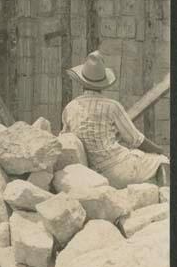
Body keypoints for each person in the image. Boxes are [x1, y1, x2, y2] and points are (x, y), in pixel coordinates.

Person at [61, 51, 169, 188]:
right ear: (103, 83)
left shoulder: (70, 107)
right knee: (162, 161)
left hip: (91, 172)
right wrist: (160, 150)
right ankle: (166, 200)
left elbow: (66, 137)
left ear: (82, 82)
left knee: (136, 155)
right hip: (117, 169)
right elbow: (136, 139)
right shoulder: (112, 106)